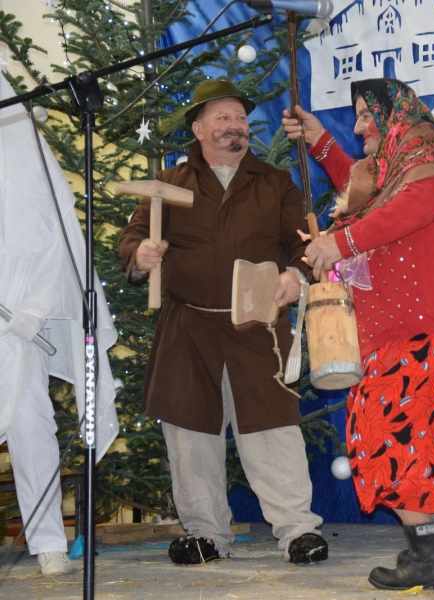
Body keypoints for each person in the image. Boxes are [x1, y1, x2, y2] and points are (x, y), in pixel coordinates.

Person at [118, 80, 327, 566]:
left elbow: (303, 242)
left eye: (241, 118)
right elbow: (133, 237)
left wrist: (296, 274)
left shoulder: (274, 182)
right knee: (191, 437)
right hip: (188, 330)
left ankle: (298, 531)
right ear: (198, 129)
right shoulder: (169, 184)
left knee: (273, 432)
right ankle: (206, 534)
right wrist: (140, 255)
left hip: (260, 327)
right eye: (223, 118)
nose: (236, 126)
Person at [283, 78, 434, 590]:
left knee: (394, 439)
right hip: (405, 331)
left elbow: (404, 209)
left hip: (421, 330)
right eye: (357, 115)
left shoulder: (427, 159)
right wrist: (320, 141)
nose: (360, 125)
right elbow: (366, 189)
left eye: (368, 114)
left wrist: (339, 242)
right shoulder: (398, 170)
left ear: (397, 116)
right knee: (411, 441)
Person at [0, 75, 118, 575]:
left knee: (31, 425)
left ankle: (48, 540)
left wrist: (35, 309)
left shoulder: (25, 153)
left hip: (18, 322)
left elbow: (59, 246)